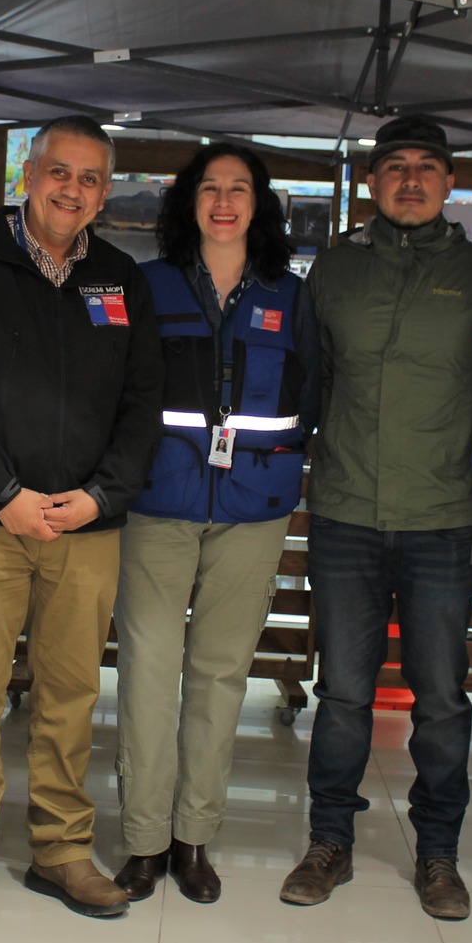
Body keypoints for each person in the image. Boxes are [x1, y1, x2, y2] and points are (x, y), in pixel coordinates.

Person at [0, 114, 164, 934]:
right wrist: (4, 490)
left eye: (90, 178)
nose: (72, 189)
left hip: (85, 526)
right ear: (28, 174)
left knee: (71, 694)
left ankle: (61, 848)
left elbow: (143, 404)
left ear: (104, 193)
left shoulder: (122, 279)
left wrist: (101, 496)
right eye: (60, 171)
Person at [278, 116, 472, 919]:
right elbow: (310, 383)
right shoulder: (334, 271)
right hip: (347, 512)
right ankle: (328, 840)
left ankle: (438, 853)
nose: (410, 180)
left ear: (450, 181)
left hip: (444, 515)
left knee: (440, 697)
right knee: (342, 691)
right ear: (372, 181)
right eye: (395, 167)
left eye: (426, 167)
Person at [111, 142, 318, 904]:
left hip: (253, 508)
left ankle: (193, 837)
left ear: (260, 204)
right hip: (157, 502)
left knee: (221, 672)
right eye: (210, 187)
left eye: (239, 189)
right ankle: (144, 840)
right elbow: (119, 389)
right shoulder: (148, 284)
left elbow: (313, 397)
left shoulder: (293, 296)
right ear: (188, 201)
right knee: (147, 668)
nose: (224, 202)